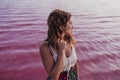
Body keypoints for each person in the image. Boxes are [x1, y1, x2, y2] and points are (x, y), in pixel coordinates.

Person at [40, 9, 79, 80]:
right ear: (61, 26)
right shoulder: (45, 48)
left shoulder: (72, 41)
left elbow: (75, 63)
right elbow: (54, 77)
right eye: (70, 23)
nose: (72, 26)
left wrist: (77, 77)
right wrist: (61, 52)